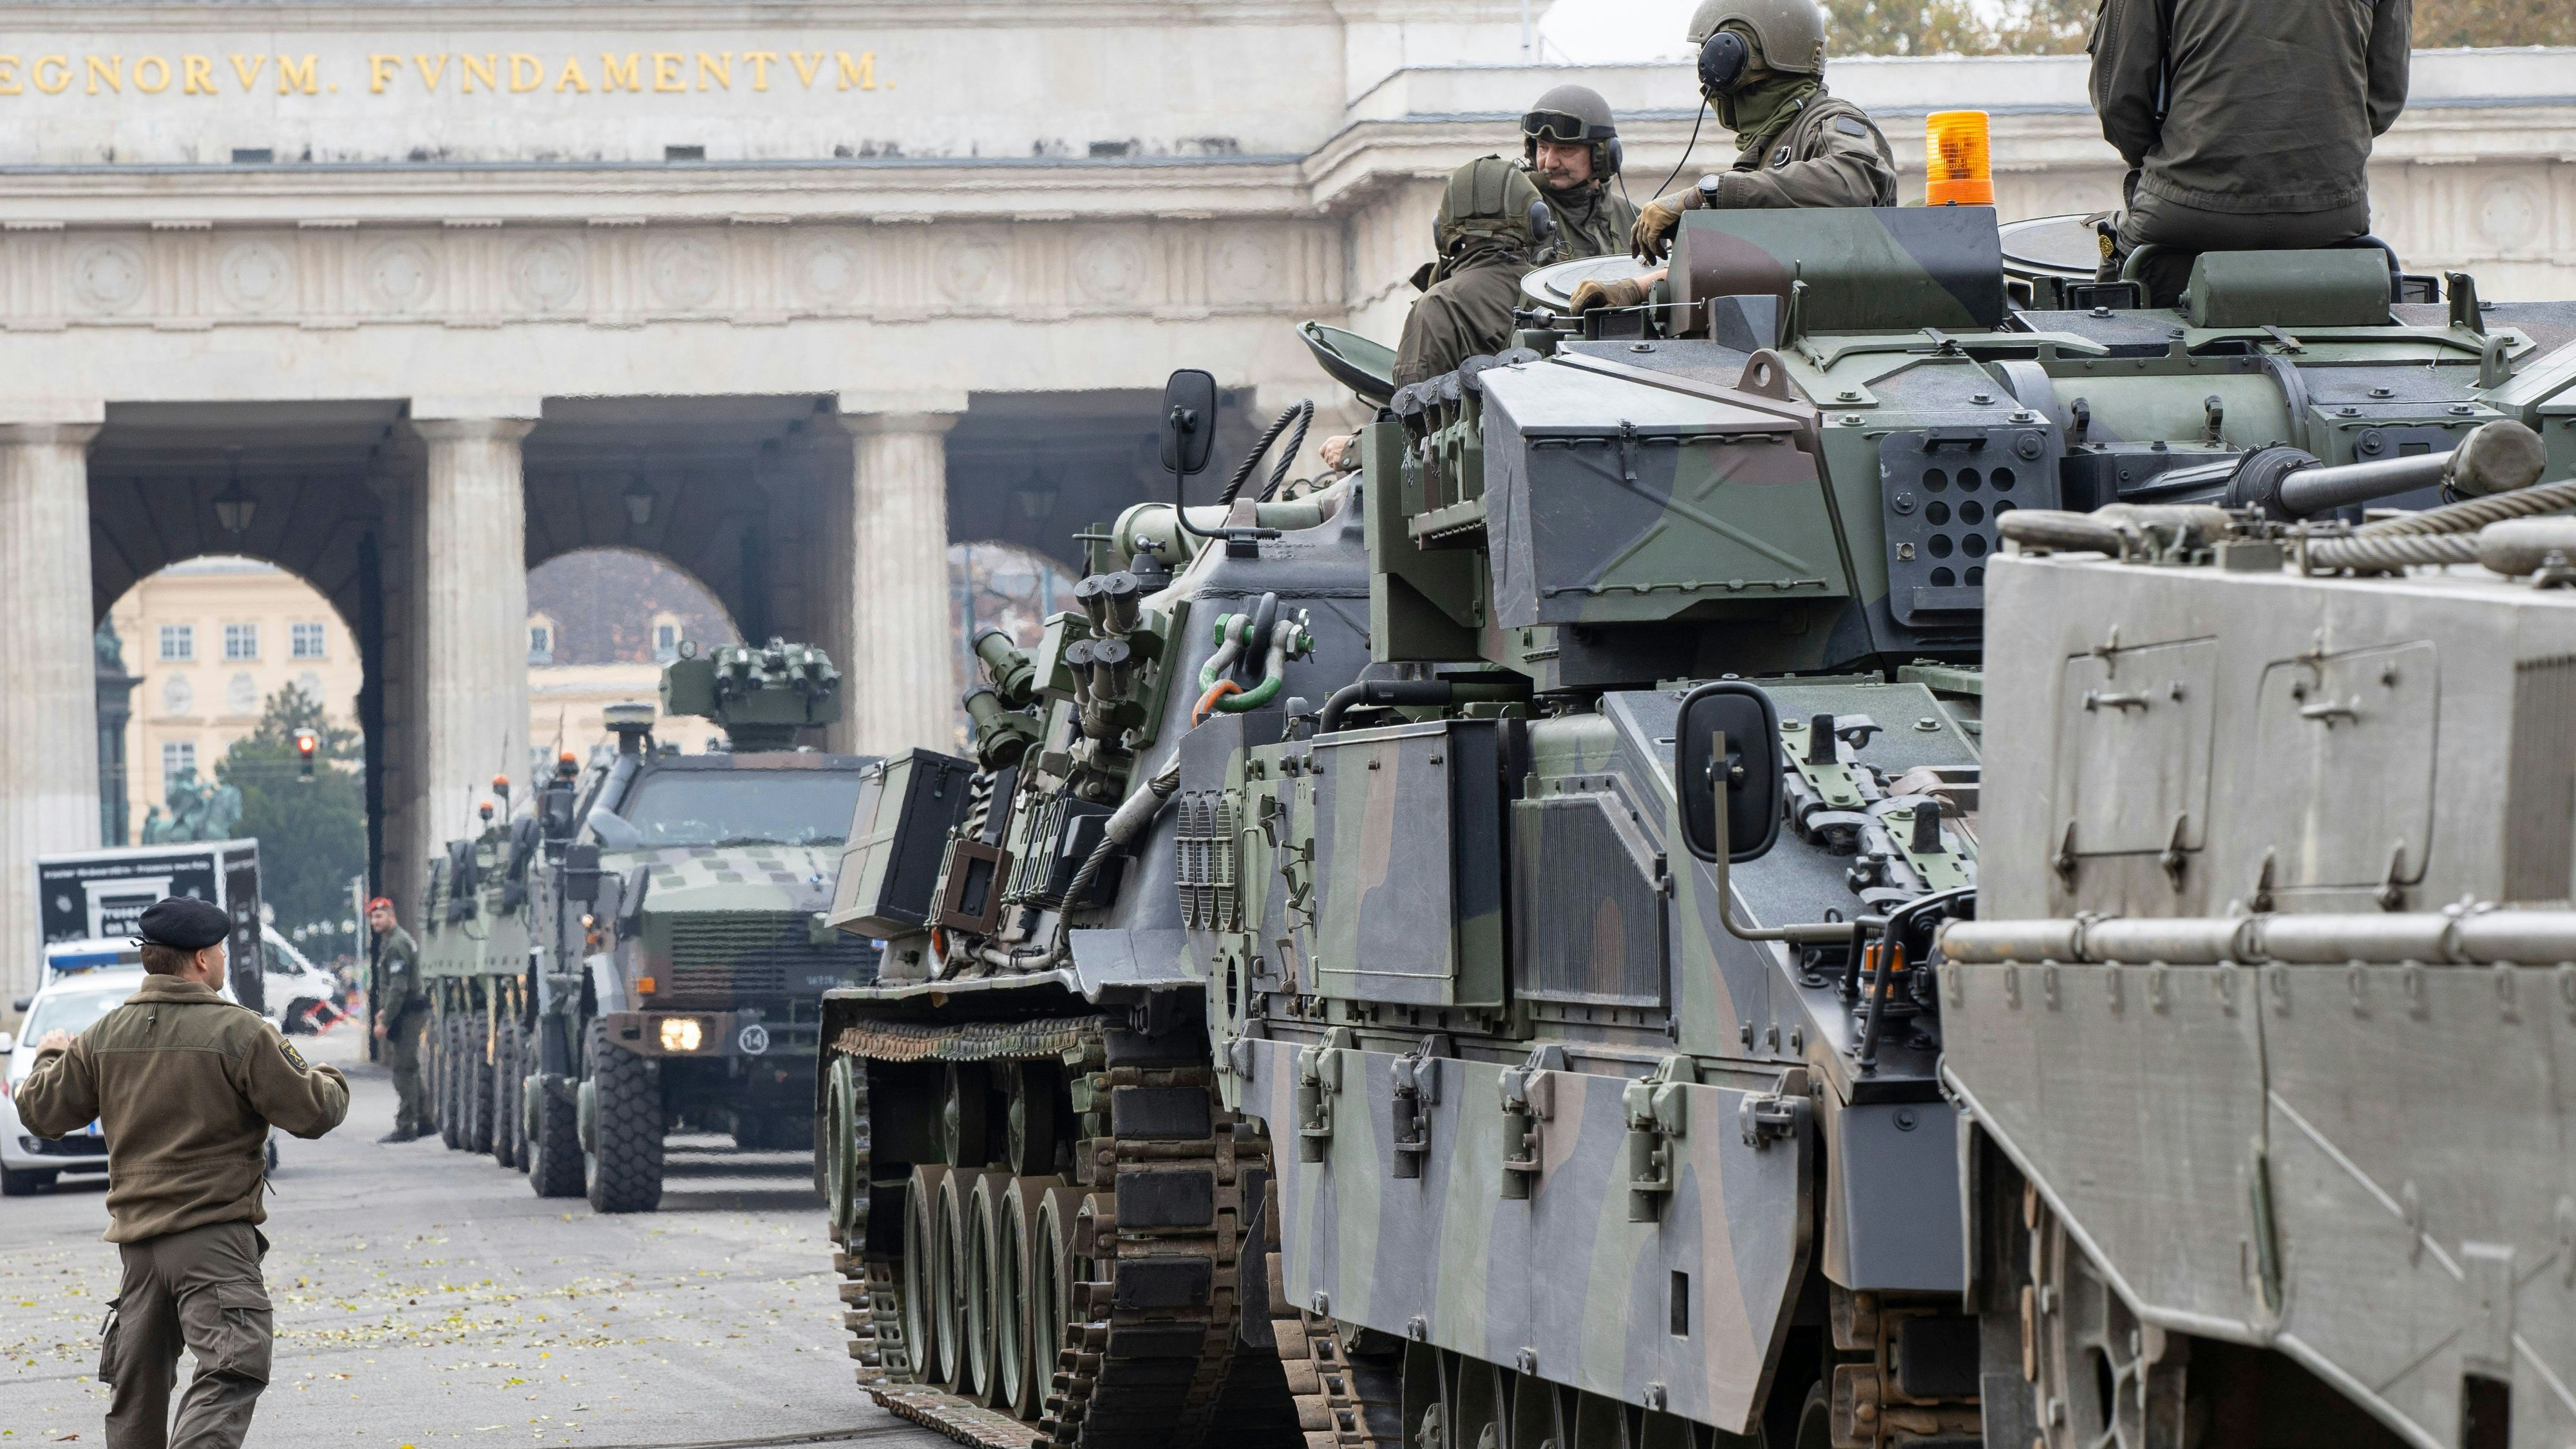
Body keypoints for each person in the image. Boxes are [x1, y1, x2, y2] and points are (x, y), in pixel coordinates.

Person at [16, 896, 350, 1449]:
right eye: (218, 950)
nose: (220, 958)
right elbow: (313, 1112)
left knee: (136, 1396)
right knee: (233, 1367)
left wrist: (50, 1057)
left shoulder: (104, 1035)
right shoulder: (238, 1032)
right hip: (212, 1241)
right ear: (200, 960)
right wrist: (331, 1076)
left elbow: (41, 1111)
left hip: (139, 1250)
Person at [2091, 0, 2409, 294]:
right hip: (2329, 215)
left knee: (2114, 301)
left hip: (2185, 212)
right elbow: (2383, 97)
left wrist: (2175, 161)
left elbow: (2117, 99)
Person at [1629, 0, 1897, 264]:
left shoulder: (1826, 121)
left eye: (1710, 53)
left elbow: (1853, 182)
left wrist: (1706, 192)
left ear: (1732, 58)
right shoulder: (1769, 148)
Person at [1394, 155, 1551, 388]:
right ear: (1536, 221)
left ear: (1444, 229)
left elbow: (1415, 409)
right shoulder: (1554, 291)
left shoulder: (1438, 304)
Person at [1520, 84, 1638, 264]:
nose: (1550, 162)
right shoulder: (1518, 217)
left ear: (1603, 155)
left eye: (1565, 149)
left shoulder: (1636, 222)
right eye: (1543, 148)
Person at [367, 896, 431, 1142]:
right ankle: (426, 1120)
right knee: (411, 1067)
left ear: (391, 916)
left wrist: (385, 1020)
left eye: (380, 916)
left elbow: (398, 987)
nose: (375, 921)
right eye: (373, 917)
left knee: (403, 1070)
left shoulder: (396, 944)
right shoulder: (395, 941)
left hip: (406, 1014)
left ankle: (405, 1126)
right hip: (405, 1012)